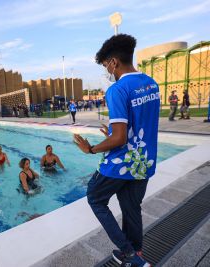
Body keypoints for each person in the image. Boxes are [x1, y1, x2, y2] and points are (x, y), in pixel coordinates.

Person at [74, 34, 158, 267]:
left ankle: (128, 253)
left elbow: (120, 138)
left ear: (113, 62)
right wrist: (112, 134)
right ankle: (137, 255)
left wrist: (91, 149)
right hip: (144, 161)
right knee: (131, 207)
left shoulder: (117, 89)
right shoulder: (151, 83)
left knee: (95, 197)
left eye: (105, 66)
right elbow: (138, 125)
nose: (106, 71)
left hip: (121, 164)